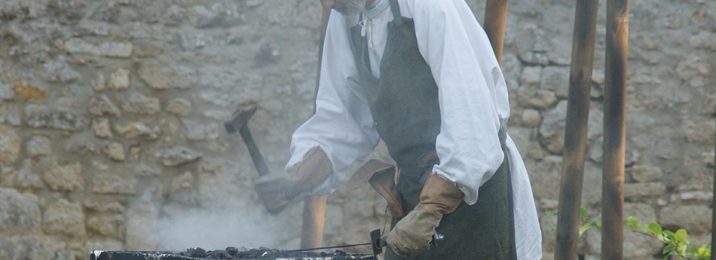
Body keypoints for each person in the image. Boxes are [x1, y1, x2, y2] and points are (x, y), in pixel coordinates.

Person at [256, 0, 542, 259]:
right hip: (413, 191)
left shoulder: (429, 6)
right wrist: (299, 176)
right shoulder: (345, 16)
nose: (323, 4)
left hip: (473, 193)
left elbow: (472, 120)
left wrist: (433, 207)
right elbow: (342, 118)